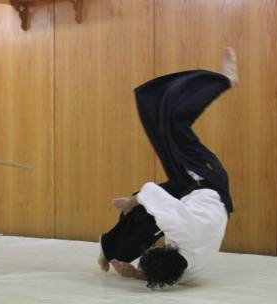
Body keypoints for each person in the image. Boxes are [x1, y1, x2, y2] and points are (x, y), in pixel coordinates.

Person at [98, 48, 238, 288]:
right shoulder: (180, 229)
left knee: (142, 214)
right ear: (171, 250)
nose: (161, 244)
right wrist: (130, 202)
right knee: (172, 123)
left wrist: (136, 274)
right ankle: (224, 81)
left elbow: (171, 276)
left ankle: (109, 248)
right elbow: (152, 192)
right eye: (161, 247)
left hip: (190, 190)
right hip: (204, 179)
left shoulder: (191, 268)